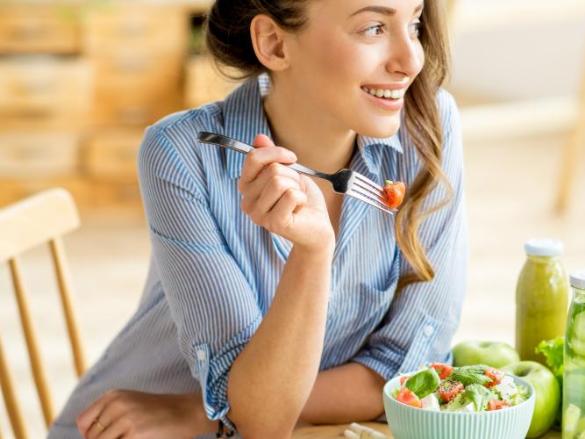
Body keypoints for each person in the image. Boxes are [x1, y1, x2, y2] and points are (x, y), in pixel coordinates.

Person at [49, 0, 465, 437]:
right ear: (273, 43)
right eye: (374, 28)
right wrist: (312, 252)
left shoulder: (428, 128)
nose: (411, 60)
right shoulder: (183, 154)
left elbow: (409, 370)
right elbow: (262, 421)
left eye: (414, 23)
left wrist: (201, 411)